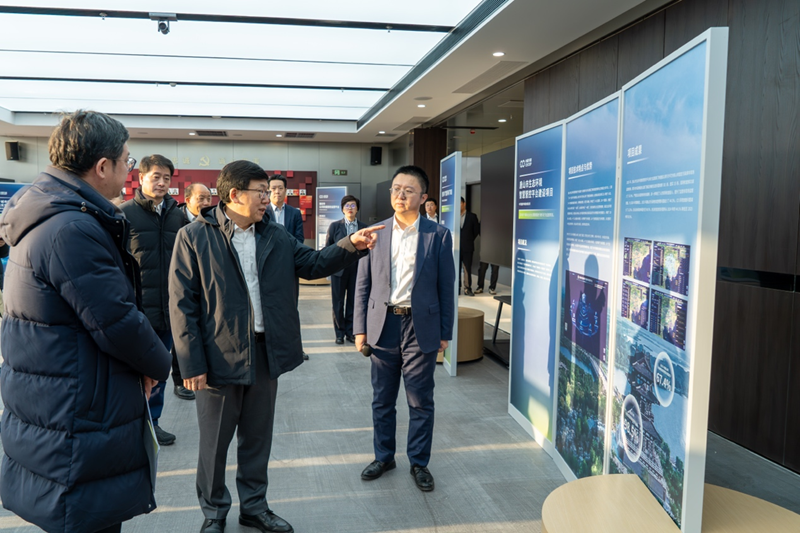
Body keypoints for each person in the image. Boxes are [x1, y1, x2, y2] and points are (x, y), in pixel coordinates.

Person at [169, 160, 384, 533]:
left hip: (264, 354)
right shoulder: (194, 236)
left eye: (267, 192)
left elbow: (313, 264)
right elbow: (181, 305)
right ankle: (214, 513)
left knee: (257, 439)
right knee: (214, 445)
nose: (267, 199)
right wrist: (190, 364)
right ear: (234, 194)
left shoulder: (275, 235)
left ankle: (254, 507)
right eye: (260, 192)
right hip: (218, 357)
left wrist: (350, 244)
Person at [0, 110, 171, 533]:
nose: (129, 170)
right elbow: (116, 320)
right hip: (77, 407)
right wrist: (159, 364)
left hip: (57, 396)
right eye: (127, 161)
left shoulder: (47, 211)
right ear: (102, 167)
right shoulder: (71, 228)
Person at [354, 165, 455, 493]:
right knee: (382, 399)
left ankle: (419, 462)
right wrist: (359, 328)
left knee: (420, 400)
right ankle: (383, 457)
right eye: (396, 189)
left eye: (408, 190)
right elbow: (363, 284)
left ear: (423, 197)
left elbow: (446, 287)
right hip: (383, 325)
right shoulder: (375, 232)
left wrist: (445, 332)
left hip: (420, 326)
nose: (400, 195)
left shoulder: (438, 235)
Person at [121, 154, 188, 443]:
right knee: (132, 371)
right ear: (141, 178)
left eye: (166, 178)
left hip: (169, 308)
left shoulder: (177, 215)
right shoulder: (124, 214)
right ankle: (128, 423)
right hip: (136, 310)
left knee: (160, 368)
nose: (161, 182)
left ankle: (153, 423)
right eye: (155, 177)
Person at [325, 195, 367, 344]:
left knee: (353, 302)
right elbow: (328, 249)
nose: (350, 208)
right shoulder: (335, 226)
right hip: (338, 270)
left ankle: (350, 332)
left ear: (357, 209)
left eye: (353, 205)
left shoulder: (364, 227)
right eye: (347, 206)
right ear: (342, 209)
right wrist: (328, 270)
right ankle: (339, 333)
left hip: (357, 270)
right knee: (337, 303)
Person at [265, 174, 304, 243]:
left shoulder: (295, 213)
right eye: (273, 188)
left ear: (285, 190)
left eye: (280, 188)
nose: (277, 192)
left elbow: (299, 238)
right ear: (268, 191)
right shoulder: (263, 212)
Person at [459, 197, 480, 296]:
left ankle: (467, 288)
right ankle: (457, 288)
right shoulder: (453, 216)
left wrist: (468, 239)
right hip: (455, 247)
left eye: (460, 203)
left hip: (468, 246)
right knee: (456, 268)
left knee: (467, 268)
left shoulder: (472, 216)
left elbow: (476, 231)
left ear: (464, 204)